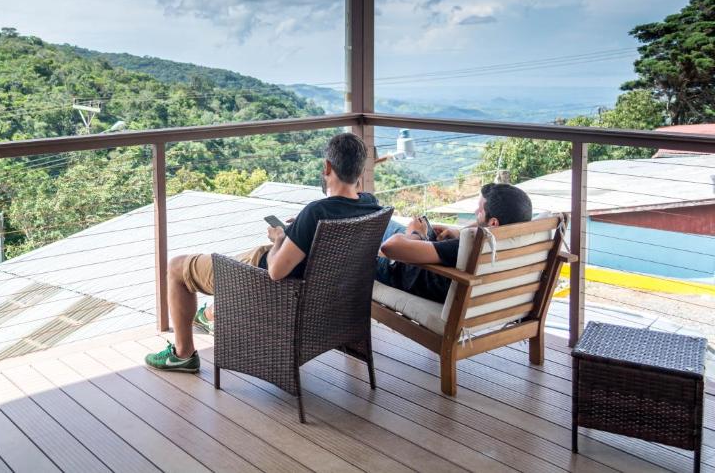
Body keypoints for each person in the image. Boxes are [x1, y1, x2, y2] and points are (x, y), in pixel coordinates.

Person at [145, 132, 384, 373]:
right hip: (326, 302)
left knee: (177, 266)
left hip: (267, 281)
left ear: (327, 167)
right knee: (225, 264)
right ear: (360, 171)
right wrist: (299, 229)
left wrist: (280, 238)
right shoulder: (371, 205)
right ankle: (210, 313)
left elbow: (276, 271)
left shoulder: (316, 212)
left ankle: (183, 353)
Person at [376, 183, 533, 303]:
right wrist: (458, 233)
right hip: (455, 279)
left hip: (403, 271)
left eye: (480, 211)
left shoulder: (467, 248)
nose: (475, 213)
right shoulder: (520, 244)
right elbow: (483, 231)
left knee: (374, 225)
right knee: (383, 220)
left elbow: (390, 247)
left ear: (493, 223)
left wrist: (416, 233)